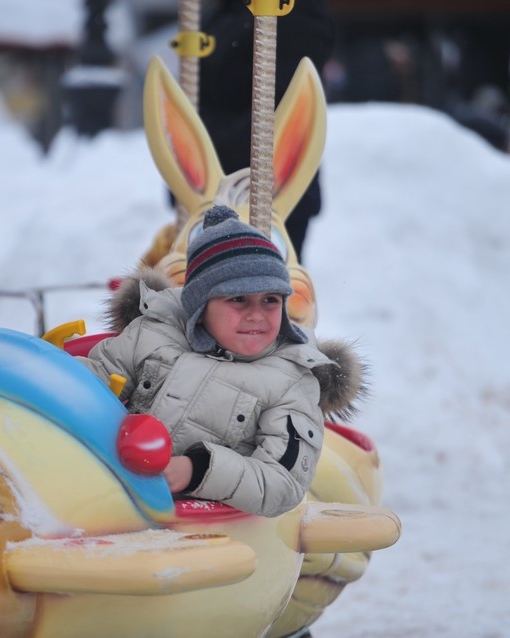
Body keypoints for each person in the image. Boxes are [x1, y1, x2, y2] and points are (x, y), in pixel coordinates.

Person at [79, 206, 365, 517]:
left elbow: (283, 483)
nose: (256, 314)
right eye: (238, 299)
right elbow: (81, 389)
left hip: (203, 530)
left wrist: (197, 470)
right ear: (200, 304)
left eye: (270, 300)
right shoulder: (153, 333)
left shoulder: (291, 381)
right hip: (105, 491)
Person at [197, 0, 336, 262]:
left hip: (269, 184)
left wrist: (211, 144)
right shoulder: (226, 11)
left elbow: (287, 99)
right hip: (215, 185)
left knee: (260, 290)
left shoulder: (291, 10)